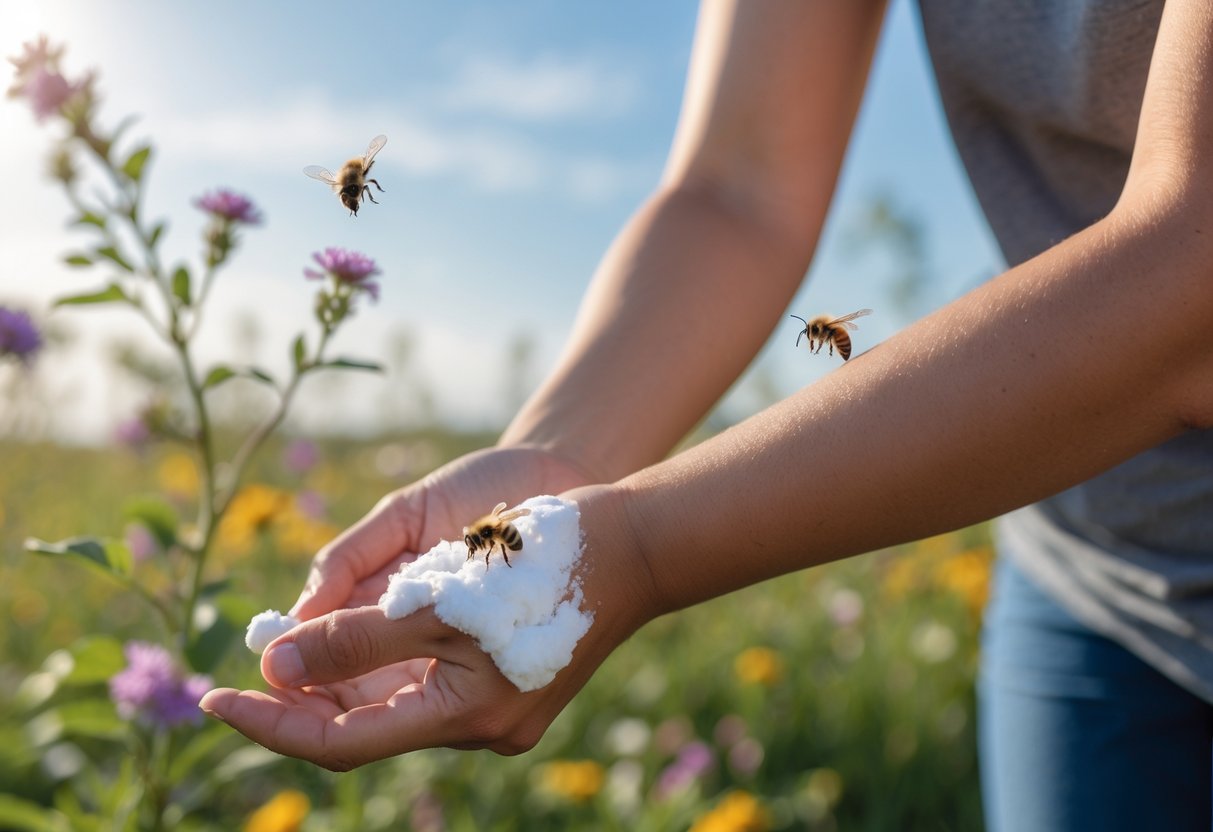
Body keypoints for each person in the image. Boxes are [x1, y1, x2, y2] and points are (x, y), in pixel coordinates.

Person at [201, 1, 1213, 827]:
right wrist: (555, 461)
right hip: (1095, 572)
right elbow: (740, 187)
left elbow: (1193, 274)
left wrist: (637, 547)